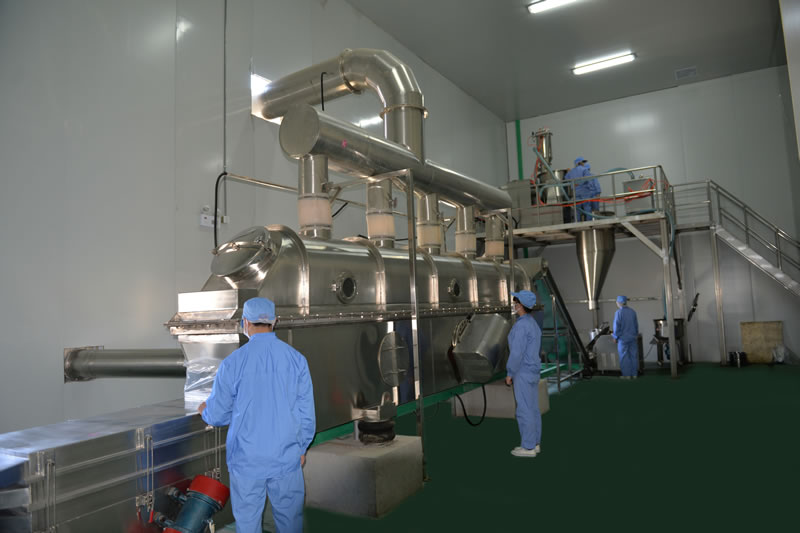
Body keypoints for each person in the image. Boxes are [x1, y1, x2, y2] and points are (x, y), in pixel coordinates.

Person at [198, 297, 316, 533]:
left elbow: (219, 414)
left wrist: (204, 410)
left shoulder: (232, 363)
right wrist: (301, 447)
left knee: (248, 524)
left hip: (247, 459)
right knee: (290, 522)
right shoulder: (296, 360)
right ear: (275, 321)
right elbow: (307, 413)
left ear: (245, 323)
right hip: (286, 456)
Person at [505, 290, 543, 458]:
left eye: (515, 303)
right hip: (533, 370)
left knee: (524, 410)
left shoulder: (521, 326)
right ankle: (535, 443)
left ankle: (528, 447)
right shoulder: (532, 323)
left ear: (520, 305)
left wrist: (510, 372)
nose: (514, 305)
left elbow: (516, 353)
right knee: (533, 408)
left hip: (523, 371)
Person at [564, 157, 601, 221]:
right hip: (585, 192)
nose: (584, 163)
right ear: (580, 163)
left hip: (576, 193)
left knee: (577, 209)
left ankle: (577, 222)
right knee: (587, 208)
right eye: (583, 162)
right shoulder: (584, 170)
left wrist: (569, 173)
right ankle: (589, 222)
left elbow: (566, 178)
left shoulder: (572, 171)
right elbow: (588, 180)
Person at [612, 295, 640, 379]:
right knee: (633, 356)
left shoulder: (618, 312)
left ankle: (626, 374)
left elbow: (616, 326)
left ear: (619, 302)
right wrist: (635, 335)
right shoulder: (632, 312)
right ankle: (634, 374)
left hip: (623, 339)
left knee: (624, 357)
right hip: (632, 338)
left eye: (617, 302)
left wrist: (615, 337)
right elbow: (636, 325)